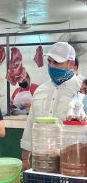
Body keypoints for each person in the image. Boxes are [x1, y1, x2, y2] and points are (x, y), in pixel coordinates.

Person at [21, 42, 82, 170]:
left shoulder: (80, 90)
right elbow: (31, 123)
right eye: (49, 61)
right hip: (43, 160)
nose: (51, 66)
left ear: (71, 64)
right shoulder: (41, 90)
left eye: (57, 62)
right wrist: (25, 158)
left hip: (73, 161)